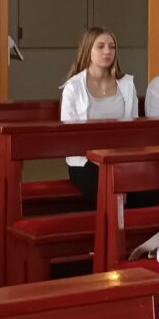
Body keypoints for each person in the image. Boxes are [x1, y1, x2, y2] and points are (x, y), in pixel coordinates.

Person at [60, 27, 140, 208]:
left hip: (120, 160)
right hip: (85, 162)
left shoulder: (127, 84)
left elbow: (134, 128)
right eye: (101, 46)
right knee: (109, 192)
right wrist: (98, 158)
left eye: (112, 47)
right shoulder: (73, 87)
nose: (107, 51)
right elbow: (70, 135)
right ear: (88, 50)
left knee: (146, 192)